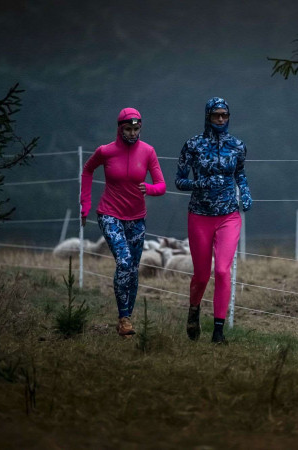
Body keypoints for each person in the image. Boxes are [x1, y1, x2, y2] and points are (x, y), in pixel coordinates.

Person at [80, 107, 166, 337]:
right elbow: (87, 171)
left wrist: (148, 188)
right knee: (125, 262)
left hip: (137, 219)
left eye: (136, 129)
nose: (132, 133)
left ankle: (127, 316)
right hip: (109, 214)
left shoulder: (148, 151)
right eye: (127, 129)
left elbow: (162, 185)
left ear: (141, 128)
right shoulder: (105, 151)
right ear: (119, 128)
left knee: (133, 270)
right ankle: (123, 317)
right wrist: (85, 204)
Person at [175, 97, 252, 344]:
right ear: (208, 116)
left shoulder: (237, 146)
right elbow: (179, 180)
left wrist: (247, 193)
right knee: (201, 275)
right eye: (216, 115)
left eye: (225, 115)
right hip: (200, 215)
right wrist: (201, 183)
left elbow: (240, 174)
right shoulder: (192, 145)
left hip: (229, 215)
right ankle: (194, 310)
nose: (221, 119)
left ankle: (218, 332)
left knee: (221, 270)